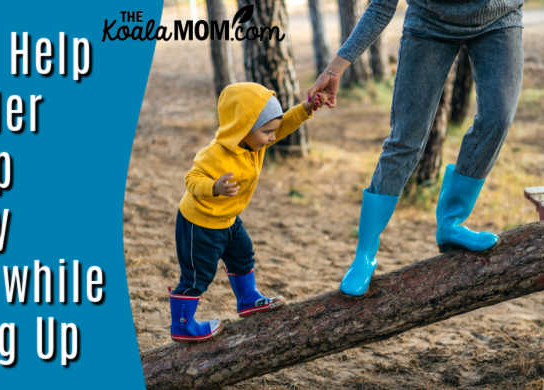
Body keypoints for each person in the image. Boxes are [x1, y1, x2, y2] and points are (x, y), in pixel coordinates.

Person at [307, 0, 524, 296]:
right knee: (405, 140)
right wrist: (336, 68)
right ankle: (365, 255)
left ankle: (452, 223)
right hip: (429, 24)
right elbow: (381, 7)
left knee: (497, 120)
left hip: (500, 18)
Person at [169, 82, 323, 341]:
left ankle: (248, 299)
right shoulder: (214, 154)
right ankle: (182, 325)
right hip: (201, 223)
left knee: (242, 254)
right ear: (242, 128)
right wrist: (213, 187)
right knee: (198, 275)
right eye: (267, 132)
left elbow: (282, 125)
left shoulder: (255, 143)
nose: (273, 137)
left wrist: (306, 108)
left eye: (272, 131)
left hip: (228, 219)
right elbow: (191, 179)